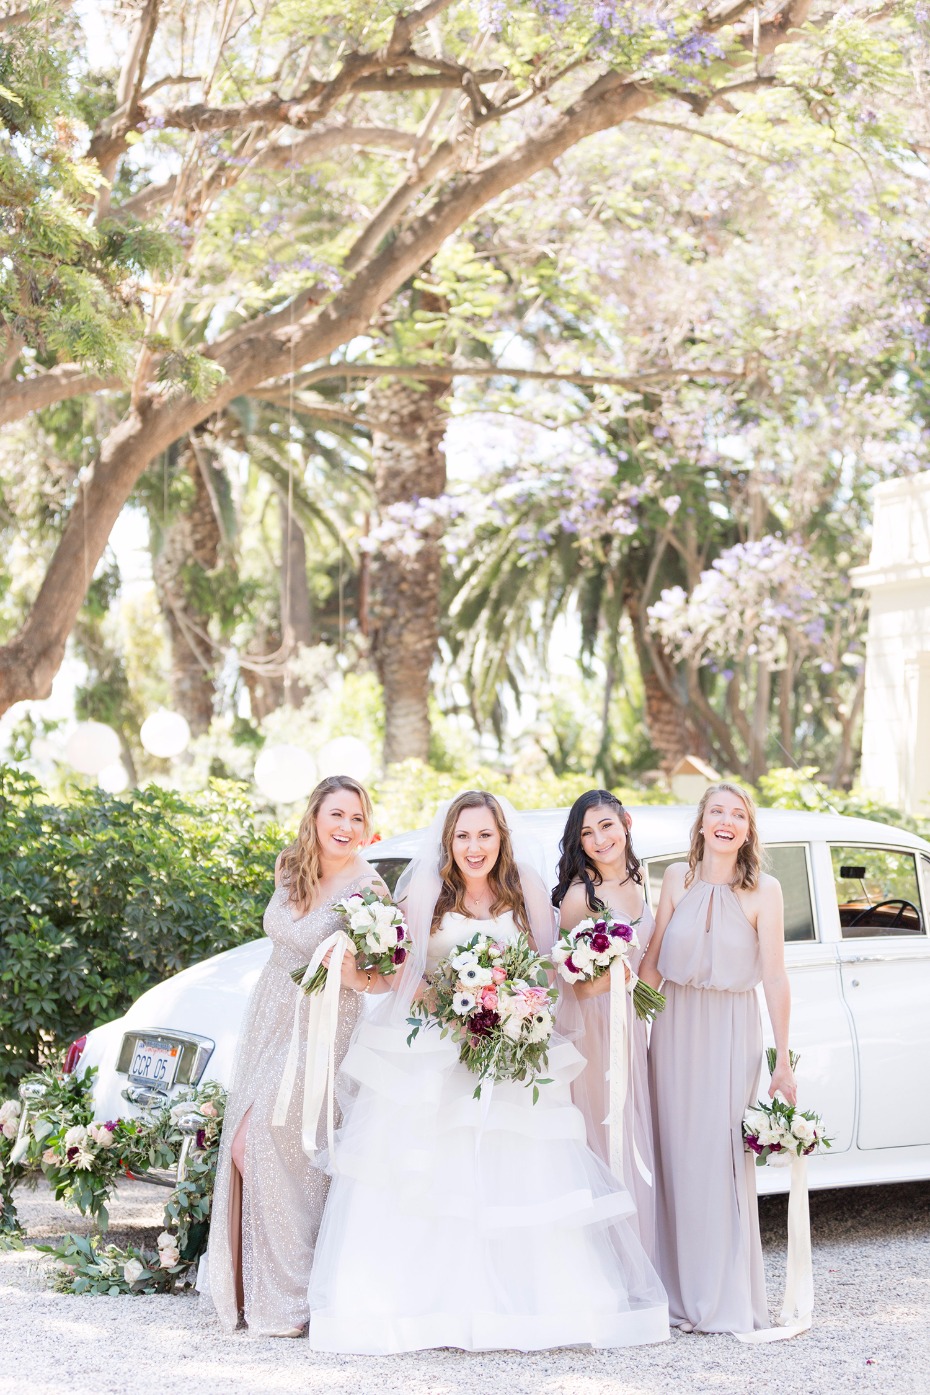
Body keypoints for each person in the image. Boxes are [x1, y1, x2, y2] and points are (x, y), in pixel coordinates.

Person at [306, 790, 668, 1354]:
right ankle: (424, 1305)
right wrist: (360, 976)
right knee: (429, 1178)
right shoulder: (426, 892)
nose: (474, 847)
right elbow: (397, 975)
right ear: (448, 842)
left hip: (509, 1051)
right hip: (433, 1055)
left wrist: (533, 998)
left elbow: (552, 977)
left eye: (485, 835)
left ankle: (524, 1305)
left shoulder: (524, 894)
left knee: (520, 1174)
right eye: (463, 836)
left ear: (501, 839)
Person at [207, 775, 385, 1337]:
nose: (346, 828)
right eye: (337, 815)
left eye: (357, 818)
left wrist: (345, 969)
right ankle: (274, 1291)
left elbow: (379, 978)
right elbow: (281, 935)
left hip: (322, 1024)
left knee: (268, 1144)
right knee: (261, 1144)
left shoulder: (371, 890)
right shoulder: (291, 867)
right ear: (315, 817)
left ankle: (295, 1296)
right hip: (270, 1015)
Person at [638, 781, 796, 1335]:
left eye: (738, 815)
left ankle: (722, 1296)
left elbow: (774, 976)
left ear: (747, 830)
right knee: (674, 1157)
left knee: (719, 1159)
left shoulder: (765, 891)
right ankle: (674, 1293)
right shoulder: (675, 882)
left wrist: (783, 1061)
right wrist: (624, 1030)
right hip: (674, 1028)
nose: (727, 822)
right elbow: (653, 966)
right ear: (701, 823)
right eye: (717, 812)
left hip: (732, 1030)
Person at [551, 790, 657, 1261]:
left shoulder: (640, 879)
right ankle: (614, 1266)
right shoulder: (580, 897)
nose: (599, 839)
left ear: (626, 823)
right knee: (604, 1132)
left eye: (606, 826)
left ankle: (646, 1255)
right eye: (587, 833)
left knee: (634, 1132)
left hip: (632, 1025)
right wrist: (612, 975)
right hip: (596, 1029)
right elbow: (570, 983)